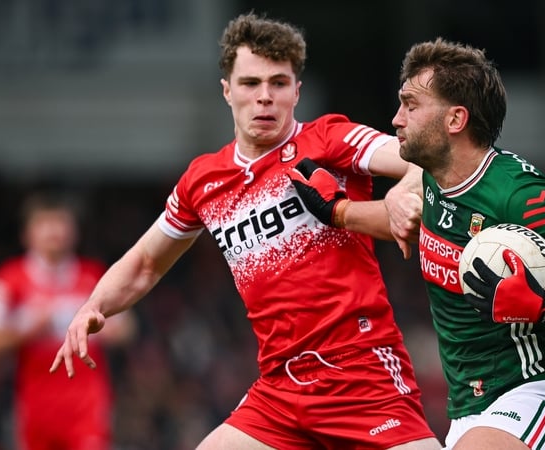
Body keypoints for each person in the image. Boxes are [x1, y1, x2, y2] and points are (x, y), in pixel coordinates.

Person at [50, 12, 441, 450]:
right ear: (227, 90)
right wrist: (93, 305)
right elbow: (145, 262)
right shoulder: (203, 180)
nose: (264, 97)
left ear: (297, 91)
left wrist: (405, 191)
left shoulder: (327, 140)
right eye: (251, 83)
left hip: (359, 373)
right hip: (280, 389)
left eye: (278, 83)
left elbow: (419, 159)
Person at [385, 38, 545, 449]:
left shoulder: (519, 194)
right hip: (468, 413)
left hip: (537, 395)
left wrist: (542, 303)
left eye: (411, 105)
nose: (397, 118)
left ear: (455, 119)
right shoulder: (432, 180)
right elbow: (396, 217)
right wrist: (339, 212)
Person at [0, 192, 136, 450]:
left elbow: (127, 329)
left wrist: (94, 327)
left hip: (87, 406)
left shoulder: (94, 275)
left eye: (61, 223)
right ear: (27, 234)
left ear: (75, 231)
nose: (54, 232)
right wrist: (28, 328)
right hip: (35, 407)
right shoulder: (9, 280)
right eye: (45, 224)